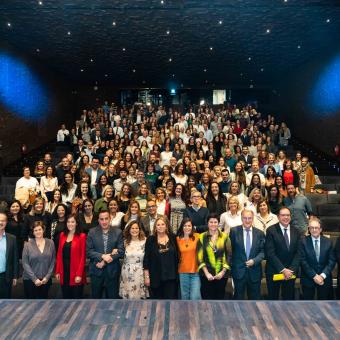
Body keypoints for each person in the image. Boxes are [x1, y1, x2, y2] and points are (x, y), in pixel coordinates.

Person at [265, 207, 301, 300]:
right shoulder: (271, 230)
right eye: (283, 215)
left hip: (290, 273)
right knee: (273, 300)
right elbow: (270, 253)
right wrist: (283, 269)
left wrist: (291, 270)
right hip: (274, 271)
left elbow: (298, 253)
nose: (286, 217)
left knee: (288, 300)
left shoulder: (296, 231)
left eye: (288, 215)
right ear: (278, 217)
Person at [86, 210, 125, 298]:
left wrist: (104, 261)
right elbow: (88, 251)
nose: (104, 221)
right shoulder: (92, 232)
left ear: (110, 219)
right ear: (98, 220)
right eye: (101, 219)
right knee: (96, 299)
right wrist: (102, 256)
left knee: (112, 299)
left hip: (112, 271)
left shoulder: (118, 232)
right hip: (96, 270)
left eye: (106, 219)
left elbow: (121, 251)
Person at [229, 209, 265, 300]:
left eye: (250, 218)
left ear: (253, 219)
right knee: (238, 300)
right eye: (245, 218)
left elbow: (263, 251)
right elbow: (230, 250)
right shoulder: (234, 231)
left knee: (255, 301)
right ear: (241, 218)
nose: (247, 220)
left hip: (255, 272)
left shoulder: (260, 233)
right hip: (238, 272)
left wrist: (255, 260)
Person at [143, 216, 179, 299]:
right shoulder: (150, 240)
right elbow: (146, 260)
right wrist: (146, 277)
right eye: (158, 225)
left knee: (170, 302)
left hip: (171, 277)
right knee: (157, 304)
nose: (160, 226)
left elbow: (178, 256)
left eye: (163, 224)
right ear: (155, 227)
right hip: (155, 277)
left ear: (166, 226)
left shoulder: (173, 238)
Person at [300, 217, 336, 300]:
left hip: (324, 279)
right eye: (311, 228)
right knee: (308, 306)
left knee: (325, 306)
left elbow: (332, 261)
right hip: (308, 279)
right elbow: (303, 261)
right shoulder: (303, 242)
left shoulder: (328, 242)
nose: (314, 230)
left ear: (320, 229)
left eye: (316, 228)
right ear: (309, 229)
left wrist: (322, 276)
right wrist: (314, 276)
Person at [197, 213, 230, 300]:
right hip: (206, 275)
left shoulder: (225, 237)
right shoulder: (202, 236)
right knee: (207, 299)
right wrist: (207, 273)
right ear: (207, 223)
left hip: (222, 275)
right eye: (211, 222)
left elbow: (229, 256)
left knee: (219, 299)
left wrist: (222, 272)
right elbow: (200, 257)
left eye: (215, 222)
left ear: (218, 223)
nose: (213, 224)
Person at [22, 221, 56, 299]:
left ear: (43, 230)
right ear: (33, 232)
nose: (38, 232)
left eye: (39, 229)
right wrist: (35, 279)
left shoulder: (51, 243)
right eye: (35, 230)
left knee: (44, 306)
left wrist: (47, 277)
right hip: (30, 280)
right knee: (30, 306)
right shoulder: (27, 245)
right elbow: (25, 263)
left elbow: (53, 261)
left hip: (45, 281)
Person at [55, 214, 86, 299]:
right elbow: (59, 254)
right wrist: (57, 271)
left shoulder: (82, 236)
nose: (70, 224)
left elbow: (83, 257)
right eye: (68, 222)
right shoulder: (62, 235)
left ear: (77, 223)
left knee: (76, 299)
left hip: (76, 271)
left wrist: (79, 274)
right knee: (65, 297)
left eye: (72, 222)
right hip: (64, 271)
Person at [119, 221, 148, 299]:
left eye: (136, 228)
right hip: (127, 273)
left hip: (140, 272)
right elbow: (120, 252)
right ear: (129, 229)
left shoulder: (145, 241)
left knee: (139, 297)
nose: (134, 230)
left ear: (140, 229)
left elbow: (148, 258)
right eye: (132, 228)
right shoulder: (125, 242)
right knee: (128, 297)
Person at [176, 218, 201, 300]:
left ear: (192, 227)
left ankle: (196, 313)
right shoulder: (177, 239)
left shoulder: (197, 236)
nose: (187, 228)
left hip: (195, 271)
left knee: (195, 296)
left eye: (189, 226)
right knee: (185, 297)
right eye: (185, 226)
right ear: (182, 227)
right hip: (183, 272)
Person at [0, 212, 19, 298]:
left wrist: (15, 276)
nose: (1, 223)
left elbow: (15, 258)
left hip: (6, 277)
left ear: (6, 222)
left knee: (5, 303)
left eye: (3, 221)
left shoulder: (12, 238)